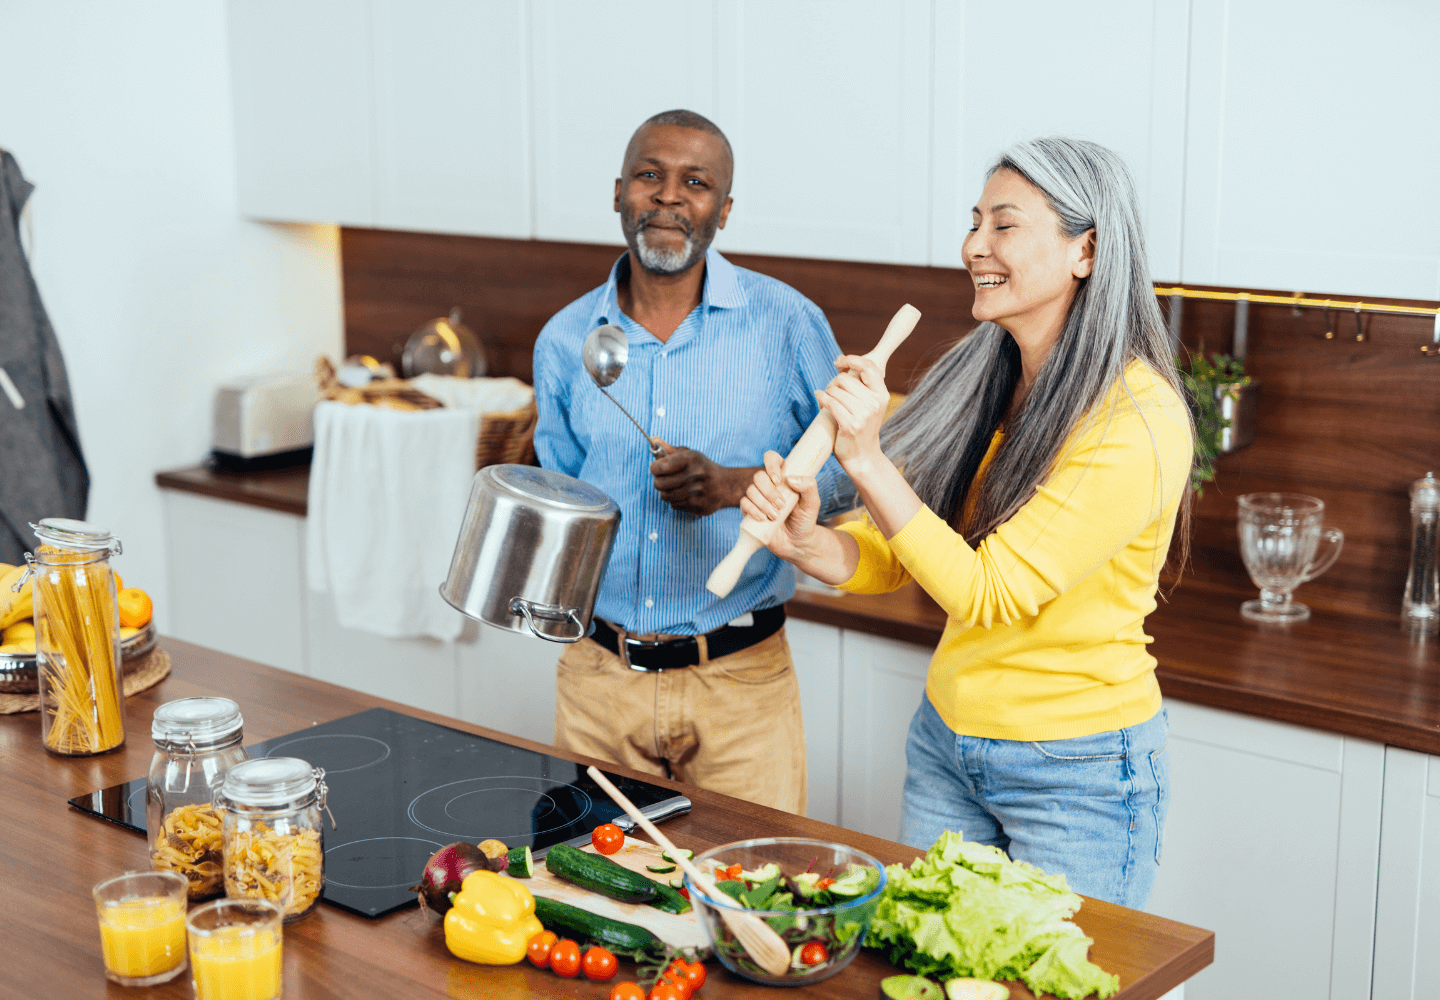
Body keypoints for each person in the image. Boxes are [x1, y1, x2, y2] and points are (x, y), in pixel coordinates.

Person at [740, 137, 1193, 908]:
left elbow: (988, 590)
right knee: (930, 970)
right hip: (949, 743)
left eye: (1004, 226)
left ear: (1086, 249)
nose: (973, 246)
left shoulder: (1137, 420)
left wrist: (867, 458)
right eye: (973, 221)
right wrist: (812, 542)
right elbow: (907, 549)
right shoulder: (983, 370)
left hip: (1077, 771)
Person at [531, 109, 851, 815]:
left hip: (740, 684)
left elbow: (851, 474)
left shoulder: (788, 322)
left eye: (696, 182)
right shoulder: (564, 342)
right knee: (592, 903)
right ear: (619, 193)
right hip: (597, 681)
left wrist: (735, 486)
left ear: (724, 210)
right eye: (651, 175)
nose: (670, 196)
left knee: (753, 907)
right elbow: (563, 504)